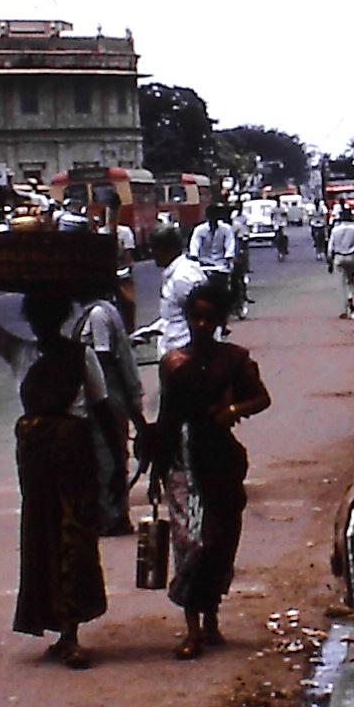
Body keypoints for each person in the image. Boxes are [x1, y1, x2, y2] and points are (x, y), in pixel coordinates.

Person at [0, 283, 109, 666]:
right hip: (38, 460)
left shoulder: (82, 356)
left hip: (71, 455)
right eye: (37, 315)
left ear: (60, 318)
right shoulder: (21, 352)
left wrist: (121, 456)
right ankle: (61, 629)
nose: (43, 322)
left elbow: (103, 410)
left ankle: (71, 631)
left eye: (50, 315)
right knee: (42, 536)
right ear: (31, 319)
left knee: (74, 538)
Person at [149, 281, 271, 658]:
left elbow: (261, 398)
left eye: (208, 318)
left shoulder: (235, 360)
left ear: (220, 320)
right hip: (183, 461)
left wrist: (231, 411)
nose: (201, 324)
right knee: (190, 542)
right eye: (195, 317)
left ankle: (211, 619)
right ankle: (193, 630)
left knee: (219, 541)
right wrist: (155, 471)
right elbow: (166, 419)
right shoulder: (172, 363)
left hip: (220, 459)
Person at [71, 288, 148, 536]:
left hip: (106, 396)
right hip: (109, 396)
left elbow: (102, 360)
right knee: (109, 453)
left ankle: (112, 516)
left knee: (107, 455)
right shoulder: (101, 311)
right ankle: (112, 512)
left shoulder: (97, 315)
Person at [148, 222, 211, 355]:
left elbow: (203, 319)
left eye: (155, 248)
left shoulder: (182, 278)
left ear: (168, 248)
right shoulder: (177, 274)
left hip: (186, 356)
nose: (152, 253)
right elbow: (174, 316)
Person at [328, 210, 354, 317]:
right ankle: (351, 298)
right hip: (351, 257)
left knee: (342, 283)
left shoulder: (335, 230)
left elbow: (330, 248)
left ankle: (344, 307)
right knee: (351, 280)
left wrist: (329, 261)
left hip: (338, 257)